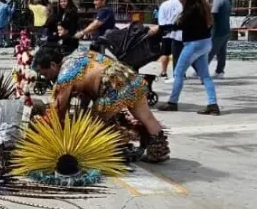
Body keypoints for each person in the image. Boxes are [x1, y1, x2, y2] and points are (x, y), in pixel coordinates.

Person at [33, 44, 169, 163]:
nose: (45, 77)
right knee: (147, 117)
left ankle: (121, 144)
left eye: (44, 73)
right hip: (129, 78)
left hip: (112, 87)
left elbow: (58, 109)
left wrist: (44, 130)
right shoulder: (80, 54)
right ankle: (159, 152)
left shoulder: (65, 75)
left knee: (95, 124)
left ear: (52, 65)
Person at [155, 0, 219, 115]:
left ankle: (172, 102)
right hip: (205, 43)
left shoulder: (191, 9)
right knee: (205, 76)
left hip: (193, 45)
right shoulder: (202, 6)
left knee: (178, 73)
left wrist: (159, 28)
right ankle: (213, 104)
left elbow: (179, 25)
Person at [156, 0, 183, 80]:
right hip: (179, 34)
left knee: (165, 53)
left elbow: (161, 21)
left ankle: (164, 72)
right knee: (179, 54)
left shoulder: (164, 5)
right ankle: (180, 73)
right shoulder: (182, 5)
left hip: (166, 33)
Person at [208, 0, 232, 78]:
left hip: (217, 30)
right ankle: (220, 71)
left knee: (210, 51)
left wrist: (209, 27)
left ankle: (201, 70)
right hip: (226, 28)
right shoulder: (226, 0)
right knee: (221, 52)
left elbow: (213, 14)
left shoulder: (217, 0)